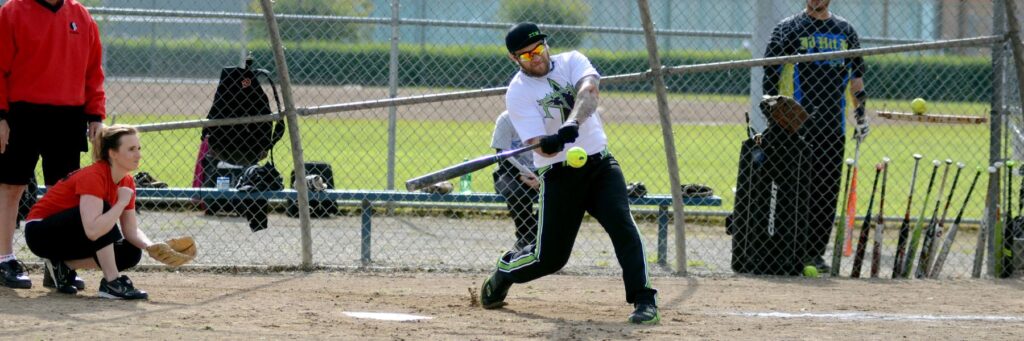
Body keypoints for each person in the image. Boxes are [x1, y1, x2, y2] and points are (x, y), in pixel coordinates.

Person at [479, 23, 660, 325]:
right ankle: (505, 271)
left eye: (538, 50)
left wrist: (571, 125)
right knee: (549, 259)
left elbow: (589, 93)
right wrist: (546, 144)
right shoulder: (518, 93)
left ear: (546, 45)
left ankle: (644, 300)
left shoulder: (572, 60)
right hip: (558, 174)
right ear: (515, 59)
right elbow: (539, 147)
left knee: (623, 227)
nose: (535, 58)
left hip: (600, 165)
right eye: (525, 56)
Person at [0, 0, 107, 289]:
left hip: (67, 117)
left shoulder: (81, 15)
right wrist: (1, 115)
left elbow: (93, 71)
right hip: (21, 113)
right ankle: (4, 259)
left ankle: (56, 263)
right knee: (11, 187)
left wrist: (95, 114)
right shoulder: (12, 11)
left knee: (63, 193)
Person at [761, 0, 868, 272]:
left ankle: (815, 254)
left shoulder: (845, 31)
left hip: (833, 127)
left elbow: (856, 79)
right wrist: (774, 116)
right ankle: (791, 251)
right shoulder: (789, 29)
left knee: (825, 193)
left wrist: (861, 115)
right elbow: (770, 76)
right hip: (797, 128)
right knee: (797, 191)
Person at [23, 125, 149, 299]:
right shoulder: (95, 175)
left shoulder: (126, 181)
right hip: (41, 233)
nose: (138, 155)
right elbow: (93, 230)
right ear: (113, 153)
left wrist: (153, 247)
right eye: (131, 149)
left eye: (138, 148)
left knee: (131, 251)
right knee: (104, 211)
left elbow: (131, 231)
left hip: (72, 233)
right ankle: (112, 283)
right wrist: (120, 204)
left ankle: (65, 266)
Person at [491, 110, 540, 251]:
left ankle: (533, 237)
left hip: (543, 171)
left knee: (556, 192)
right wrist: (520, 175)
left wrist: (541, 177)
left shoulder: (547, 117)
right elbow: (501, 155)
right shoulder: (506, 118)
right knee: (514, 192)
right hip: (510, 171)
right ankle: (527, 238)